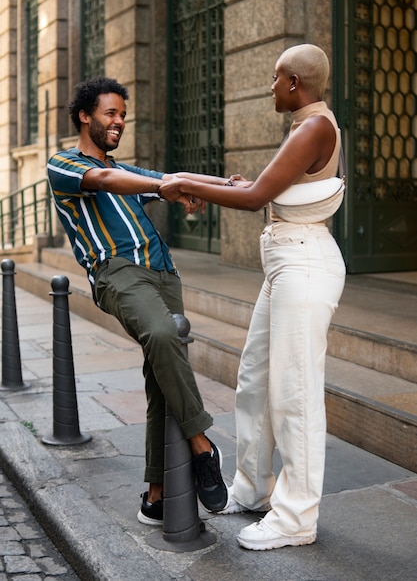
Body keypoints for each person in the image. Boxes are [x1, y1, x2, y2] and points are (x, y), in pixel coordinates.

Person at [158, 44, 346, 550]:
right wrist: (180, 181)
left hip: (304, 265)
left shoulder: (313, 128)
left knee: (295, 394)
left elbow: (254, 197)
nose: (269, 86)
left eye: (274, 78)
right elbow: (262, 186)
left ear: (293, 83)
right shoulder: (308, 125)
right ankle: (254, 488)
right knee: (257, 378)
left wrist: (180, 183)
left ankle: (295, 518)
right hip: (287, 263)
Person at [47, 76, 230, 526]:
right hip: (117, 273)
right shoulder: (64, 164)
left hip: (163, 273)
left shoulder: (128, 171)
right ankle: (203, 446)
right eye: (110, 113)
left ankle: (156, 495)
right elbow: (106, 179)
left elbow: (171, 180)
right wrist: (164, 188)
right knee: (165, 334)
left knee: (161, 378)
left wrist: (226, 183)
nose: (119, 122)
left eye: (123, 115)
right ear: (84, 116)